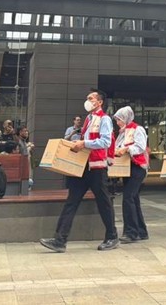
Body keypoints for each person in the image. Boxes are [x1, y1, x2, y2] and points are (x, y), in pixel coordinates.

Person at [40, 89, 119, 253]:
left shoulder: (104, 119)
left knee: (104, 203)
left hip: (97, 168)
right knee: (71, 202)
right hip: (83, 166)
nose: (87, 100)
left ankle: (112, 236)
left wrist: (84, 144)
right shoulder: (88, 120)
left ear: (99, 102)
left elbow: (105, 141)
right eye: (87, 98)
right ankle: (59, 240)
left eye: (91, 98)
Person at [113, 106, 149, 243]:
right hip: (127, 168)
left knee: (128, 198)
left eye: (119, 120)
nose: (118, 123)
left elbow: (140, 147)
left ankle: (131, 232)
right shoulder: (123, 132)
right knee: (133, 199)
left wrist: (126, 149)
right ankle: (141, 231)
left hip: (137, 167)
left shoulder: (137, 129)